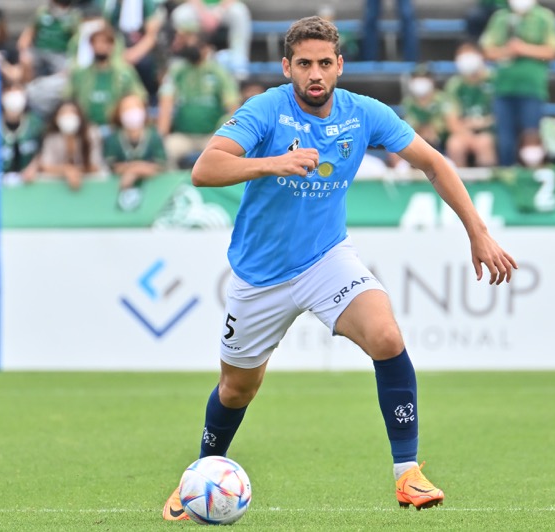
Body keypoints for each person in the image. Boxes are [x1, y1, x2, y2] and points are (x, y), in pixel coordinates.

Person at [161, 16, 517, 521]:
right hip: (259, 277)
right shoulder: (265, 110)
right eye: (304, 63)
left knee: (387, 336)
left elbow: (434, 162)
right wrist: (272, 163)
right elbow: (205, 168)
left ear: (340, 66)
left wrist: (477, 232)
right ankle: (199, 476)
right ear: (286, 67)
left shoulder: (364, 113)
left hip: (326, 259)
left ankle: (408, 474)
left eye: (325, 63)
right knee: (237, 388)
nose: (315, 74)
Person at [480, 0, 555, 166]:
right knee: (505, 140)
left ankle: (532, 178)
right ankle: (507, 177)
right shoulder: (500, 17)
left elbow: (553, 50)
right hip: (503, 88)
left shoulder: (544, 17)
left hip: (532, 88)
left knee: (531, 139)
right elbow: (486, 50)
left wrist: (523, 48)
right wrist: (508, 51)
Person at [157, 29, 240, 169]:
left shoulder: (219, 72)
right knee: (166, 150)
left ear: (206, 48)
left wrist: (226, 135)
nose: (191, 48)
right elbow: (166, 104)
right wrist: (160, 137)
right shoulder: (177, 71)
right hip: (183, 135)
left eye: (195, 44)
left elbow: (233, 107)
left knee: (228, 152)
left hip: (211, 135)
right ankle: (174, 188)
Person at [66, 24, 147, 127]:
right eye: (96, 42)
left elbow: (140, 96)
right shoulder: (79, 74)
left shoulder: (125, 73)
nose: (100, 46)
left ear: (112, 46)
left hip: (116, 127)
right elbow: (67, 97)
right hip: (86, 128)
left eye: (105, 42)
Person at [104, 93, 166, 210]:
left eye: (136, 107)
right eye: (127, 108)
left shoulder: (154, 136)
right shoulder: (113, 139)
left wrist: (133, 172)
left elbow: (159, 166)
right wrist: (140, 168)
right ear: (119, 113)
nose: (132, 112)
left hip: (154, 196)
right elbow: (112, 166)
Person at [444, 42, 497, 168]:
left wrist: (482, 122)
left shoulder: (495, 80)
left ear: (480, 57)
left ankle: (487, 185)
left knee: (484, 142)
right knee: (455, 144)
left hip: (490, 132)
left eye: (469, 55)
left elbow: (502, 115)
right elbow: (451, 120)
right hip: (464, 131)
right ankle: (457, 185)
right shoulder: (454, 85)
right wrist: (468, 135)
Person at [100, 0, 164, 97]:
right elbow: (105, 31)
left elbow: (151, 37)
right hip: (117, 48)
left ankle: (150, 98)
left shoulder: (146, 3)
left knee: (144, 63)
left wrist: (131, 55)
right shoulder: (108, 4)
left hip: (139, 49)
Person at [37, 100, 107, 189]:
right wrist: (66, 170)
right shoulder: (52, 138)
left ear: (80, 117)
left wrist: (75, 172)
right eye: (63, 113)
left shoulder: (91, 134)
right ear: (56, 119)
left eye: (72, 112)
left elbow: (95, 165)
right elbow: (46, 166)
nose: (68, 116)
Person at [188, 0, 253, 78]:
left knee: (239, 12)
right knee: (181, 15)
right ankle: (185, 63)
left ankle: (239, 65)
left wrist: (219, 11)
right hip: (198, 8)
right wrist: (202, 13)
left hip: (225, 7)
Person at [17, 0, 80, 79]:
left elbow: (77, 38)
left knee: (69, 71)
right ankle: (27, 87)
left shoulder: (74, 16)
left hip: (60, 54)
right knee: (26, 60)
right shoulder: (42, 12)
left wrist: (73, 58)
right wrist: (24, 51)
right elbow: (28, 33)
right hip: (39, 51)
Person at [0, 82, 45, 182]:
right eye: (10, 91)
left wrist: (34, 166)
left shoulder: (35, 123)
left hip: (30, 183)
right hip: (0, 183)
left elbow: (43, 150)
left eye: (18, 90)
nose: (14, 95)